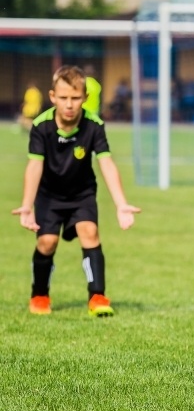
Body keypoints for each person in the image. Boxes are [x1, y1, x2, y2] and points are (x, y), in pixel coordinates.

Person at [11, 65, 141, 317]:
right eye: (63, 98)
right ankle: (39, 295)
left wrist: (121, 203)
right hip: (49, 195)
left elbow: (106, 163)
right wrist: (27, 205)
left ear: (85, 98)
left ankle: (97, 296)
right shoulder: (41, 126)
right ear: (52, 97)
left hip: (81, 193)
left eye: (75, 98)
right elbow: (34, 166)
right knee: (47, 242)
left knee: (90, 232)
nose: (69, 104)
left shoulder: (94, 125)